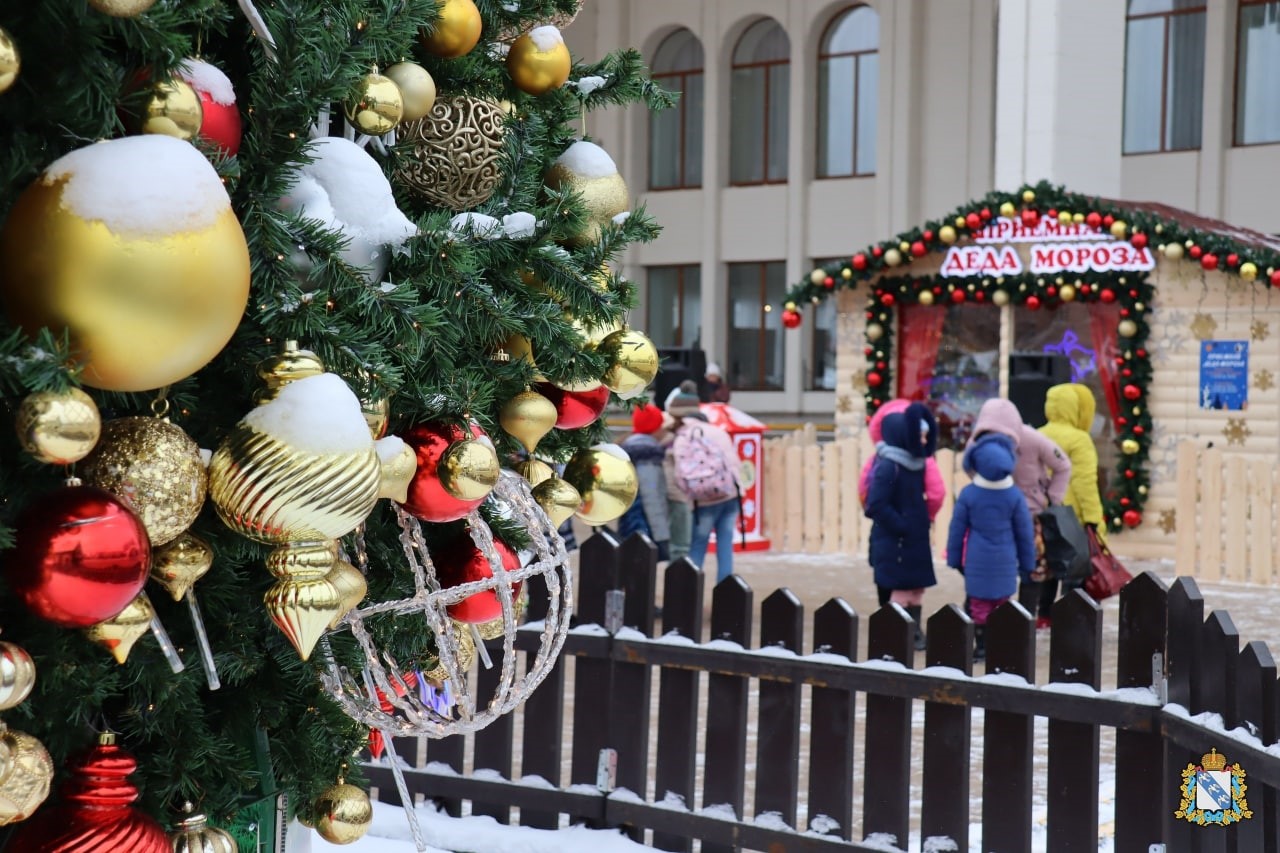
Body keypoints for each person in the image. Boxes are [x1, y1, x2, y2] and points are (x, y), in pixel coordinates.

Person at [963, 398, 1071, 614]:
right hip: (995, 517)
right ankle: (977, 619)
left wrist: (1053, 497)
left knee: (1031, 570)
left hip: (1031, 515)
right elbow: (969, 466)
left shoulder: (1032, 439)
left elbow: (1063, 465)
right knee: (988, 568)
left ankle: (1024, 620)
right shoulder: (976, 444)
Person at [947, 435, 1037, 661]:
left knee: (978, 604)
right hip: (1006, 560)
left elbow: (956, 530)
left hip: (977, 559)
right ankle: (1000, 646)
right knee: (1002, 604)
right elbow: (1025, 534)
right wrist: (1028, 564)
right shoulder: (1014, 495)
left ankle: (982, 646)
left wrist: (955, 558)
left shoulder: (969, 494)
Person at [859, 399, 947, 608]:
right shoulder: (889, 466)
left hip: (911, 541)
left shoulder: (917, 464)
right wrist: (903, 525)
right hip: (894, 542)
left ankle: (912, 635)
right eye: (920, 436)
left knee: (914, 591)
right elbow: (876, 504)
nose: (924, 441)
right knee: (894, 592)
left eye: (926, 436)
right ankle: (898, 637)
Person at [1036, 382, 1106, 628]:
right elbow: (1084, 482)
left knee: (1047, 567)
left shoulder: (1038, 433)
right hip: (1071, 516)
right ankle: (1068, 618)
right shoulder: (1079, 439)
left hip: (1042, 512)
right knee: (1072, 569)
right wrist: (1094, 518)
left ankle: (1042, 615)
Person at [667, 387, 741, 582]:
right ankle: (725, 594)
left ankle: (691, 593)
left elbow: (680, 475)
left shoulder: (682, 437)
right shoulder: (718, 432)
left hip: (703, 502)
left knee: (698, 547)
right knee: (725, 547)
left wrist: (691, 495)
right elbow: (734, 464)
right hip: (729, 497)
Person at [618, 403, 672, 560]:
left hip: (629, 519)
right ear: (653, 427)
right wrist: (661, 533)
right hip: (643, 523)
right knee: (641, 570)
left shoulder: (628, 447)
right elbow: (652, 493)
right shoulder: (647, 453)